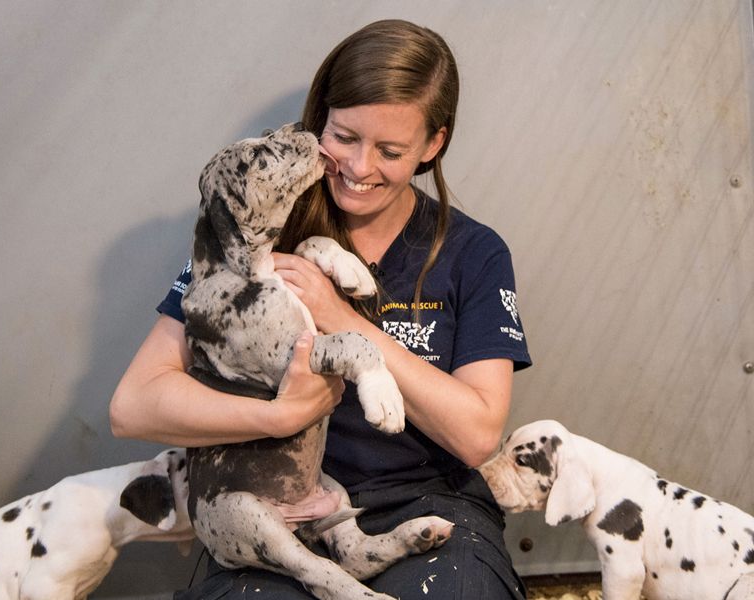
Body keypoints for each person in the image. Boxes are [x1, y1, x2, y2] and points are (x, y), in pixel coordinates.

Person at [110, 18, 531, 600]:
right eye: (343, 136)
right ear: (318, 121)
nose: (358, 168)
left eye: (389, 150)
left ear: (433, 146)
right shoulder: (258, 229)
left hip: (426, 497)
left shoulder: (472, 252)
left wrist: (339, 315)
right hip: (271, 503)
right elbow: (133, 406)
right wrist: (277, 419)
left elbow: (479, 434)